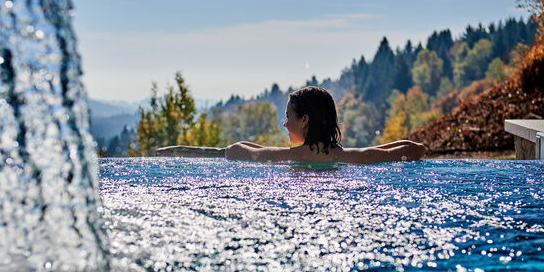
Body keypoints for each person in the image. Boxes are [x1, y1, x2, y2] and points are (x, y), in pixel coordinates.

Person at [156, 86, 426, 163]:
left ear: (305, 120)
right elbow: (416, 149)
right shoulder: (354, 157)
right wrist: (379, 149)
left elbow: (239, 150)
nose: (284, 125)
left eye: (288, 117)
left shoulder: (285, 156)